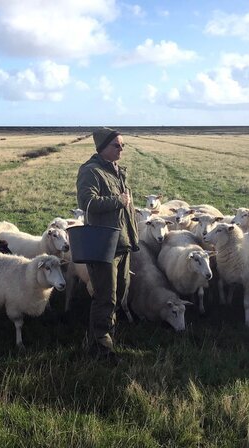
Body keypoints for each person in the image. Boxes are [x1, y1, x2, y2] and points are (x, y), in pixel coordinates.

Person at [75, 127, 139, 363]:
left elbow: (126, 211)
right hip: (103, 244)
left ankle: (106, 336)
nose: (121, 149)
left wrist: (133, 238)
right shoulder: (91, 172)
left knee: (120, 293)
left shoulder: (117, 172)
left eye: (123, 145)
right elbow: (87, 203)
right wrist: (118, 200)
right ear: (102, 148)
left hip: (122, 242)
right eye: (116, 145)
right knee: (105, 297)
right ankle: (102, 350)